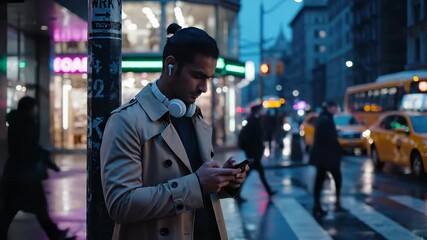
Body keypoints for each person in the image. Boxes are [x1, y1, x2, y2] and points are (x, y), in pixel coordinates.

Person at [100, 23, 249, 240]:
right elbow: (121, 204)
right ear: (170, 65)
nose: (204, 88)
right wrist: (197, 184)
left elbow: (196, 189)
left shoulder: (194, 116)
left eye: (208, 78)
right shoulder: (126, 121)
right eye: (197, 75)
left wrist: (224, 181)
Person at [0, 96, 75, 240]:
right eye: (34, 108)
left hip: (19, 176)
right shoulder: (24, 125)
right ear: (29, 109)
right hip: (24, 177)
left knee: (16, 210)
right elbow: (27, 150)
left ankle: (55, 234)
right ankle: (55, 235)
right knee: (29, 209)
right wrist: (44, 158)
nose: (36, 111)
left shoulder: (18, 123)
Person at [309, 100, 343, 218]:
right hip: (327, 156)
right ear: (329, 108)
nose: (336, 109)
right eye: (335, 107)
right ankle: (334, 203)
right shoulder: (326, 120)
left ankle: (317, 205)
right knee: (335, 178)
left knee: (321, 180)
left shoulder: (324, 118)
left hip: (323, 156)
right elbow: (328, 139)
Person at [236, 105, 275, 203]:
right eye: (260, 110)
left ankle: (269, 191)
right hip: (253, 155)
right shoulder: (254, 122)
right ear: (257, 111)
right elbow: (255, 139)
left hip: (253, 154)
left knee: (257, 173)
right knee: (247, 175)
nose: (262, 112)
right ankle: (237, 194)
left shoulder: (253, 121)